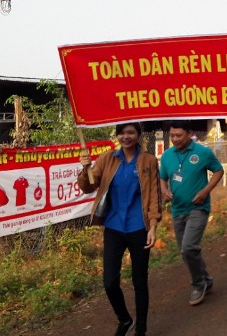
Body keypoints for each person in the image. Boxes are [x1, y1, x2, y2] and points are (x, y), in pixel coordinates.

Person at [78, 122, 161, 336]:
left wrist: (152, 227)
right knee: (109, 282)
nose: (126, 136)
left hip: (138, 228)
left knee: (139, 281)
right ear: (117, 136)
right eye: (122, 133)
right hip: (114, 227)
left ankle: (140, 329)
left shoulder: (148, 161)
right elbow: (89, 185)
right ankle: (124, 319)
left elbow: (153, 196)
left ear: (138, 135)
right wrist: (85, 168)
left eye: (131, 132)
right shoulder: (108, 159)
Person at [160, 120, 224, 306]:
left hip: (198, 208)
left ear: (189, 134)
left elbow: (218, 171)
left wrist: (205, 191)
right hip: (177, 209)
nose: (174, 139)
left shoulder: (202, 152)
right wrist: (164, 190)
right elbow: (163, 178)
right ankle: (206, 278)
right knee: (185, 251)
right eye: (172, 135)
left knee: (189, 247)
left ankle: (198, 284)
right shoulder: (167, 156)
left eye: (178, 135)